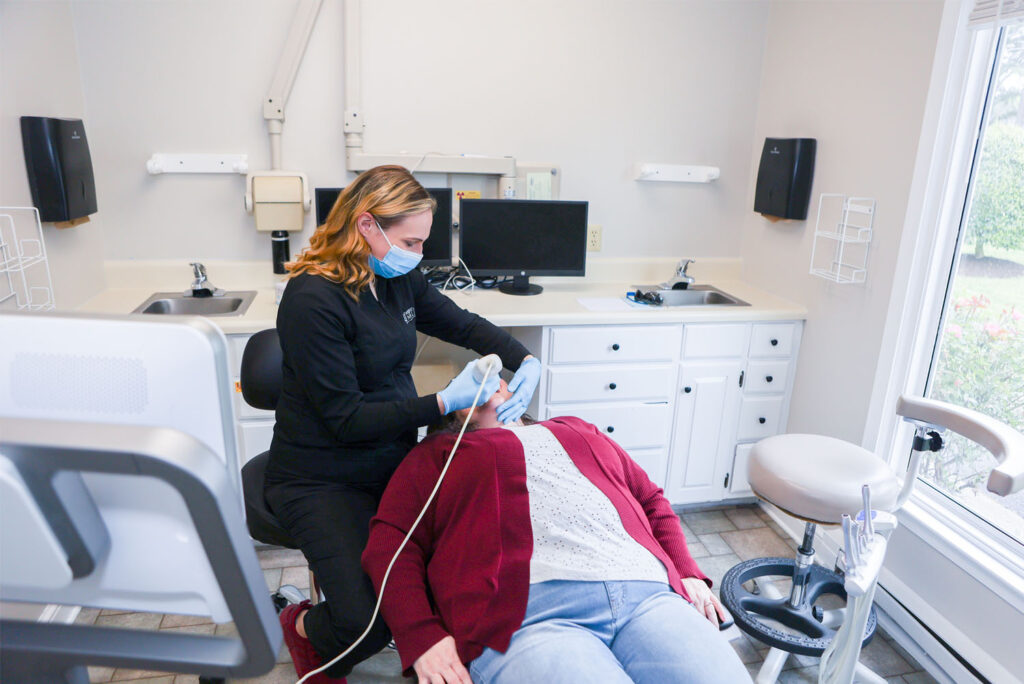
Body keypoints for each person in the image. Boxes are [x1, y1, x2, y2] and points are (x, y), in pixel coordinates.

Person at [266, 165, 542, 682]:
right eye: (410, 241)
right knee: (366, 621)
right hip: (321, 476)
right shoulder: (311, 299)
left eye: (421, 242)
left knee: (444, 579)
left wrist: (522, 357)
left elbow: (459, 321)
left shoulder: (396, 276)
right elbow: (345, 419)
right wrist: (442, 403)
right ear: (367, 225)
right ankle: (301, 627)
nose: (417, 253)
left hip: (391, 458)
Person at [362, 380, 752, 684]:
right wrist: (421, 636)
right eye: (467, 388)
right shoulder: (438, 455)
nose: (485, 384)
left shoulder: (574, 428)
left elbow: (650, 498)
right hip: (529, 616)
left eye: (496, 381)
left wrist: (685, 571)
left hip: (645, 593)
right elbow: (390, 544)